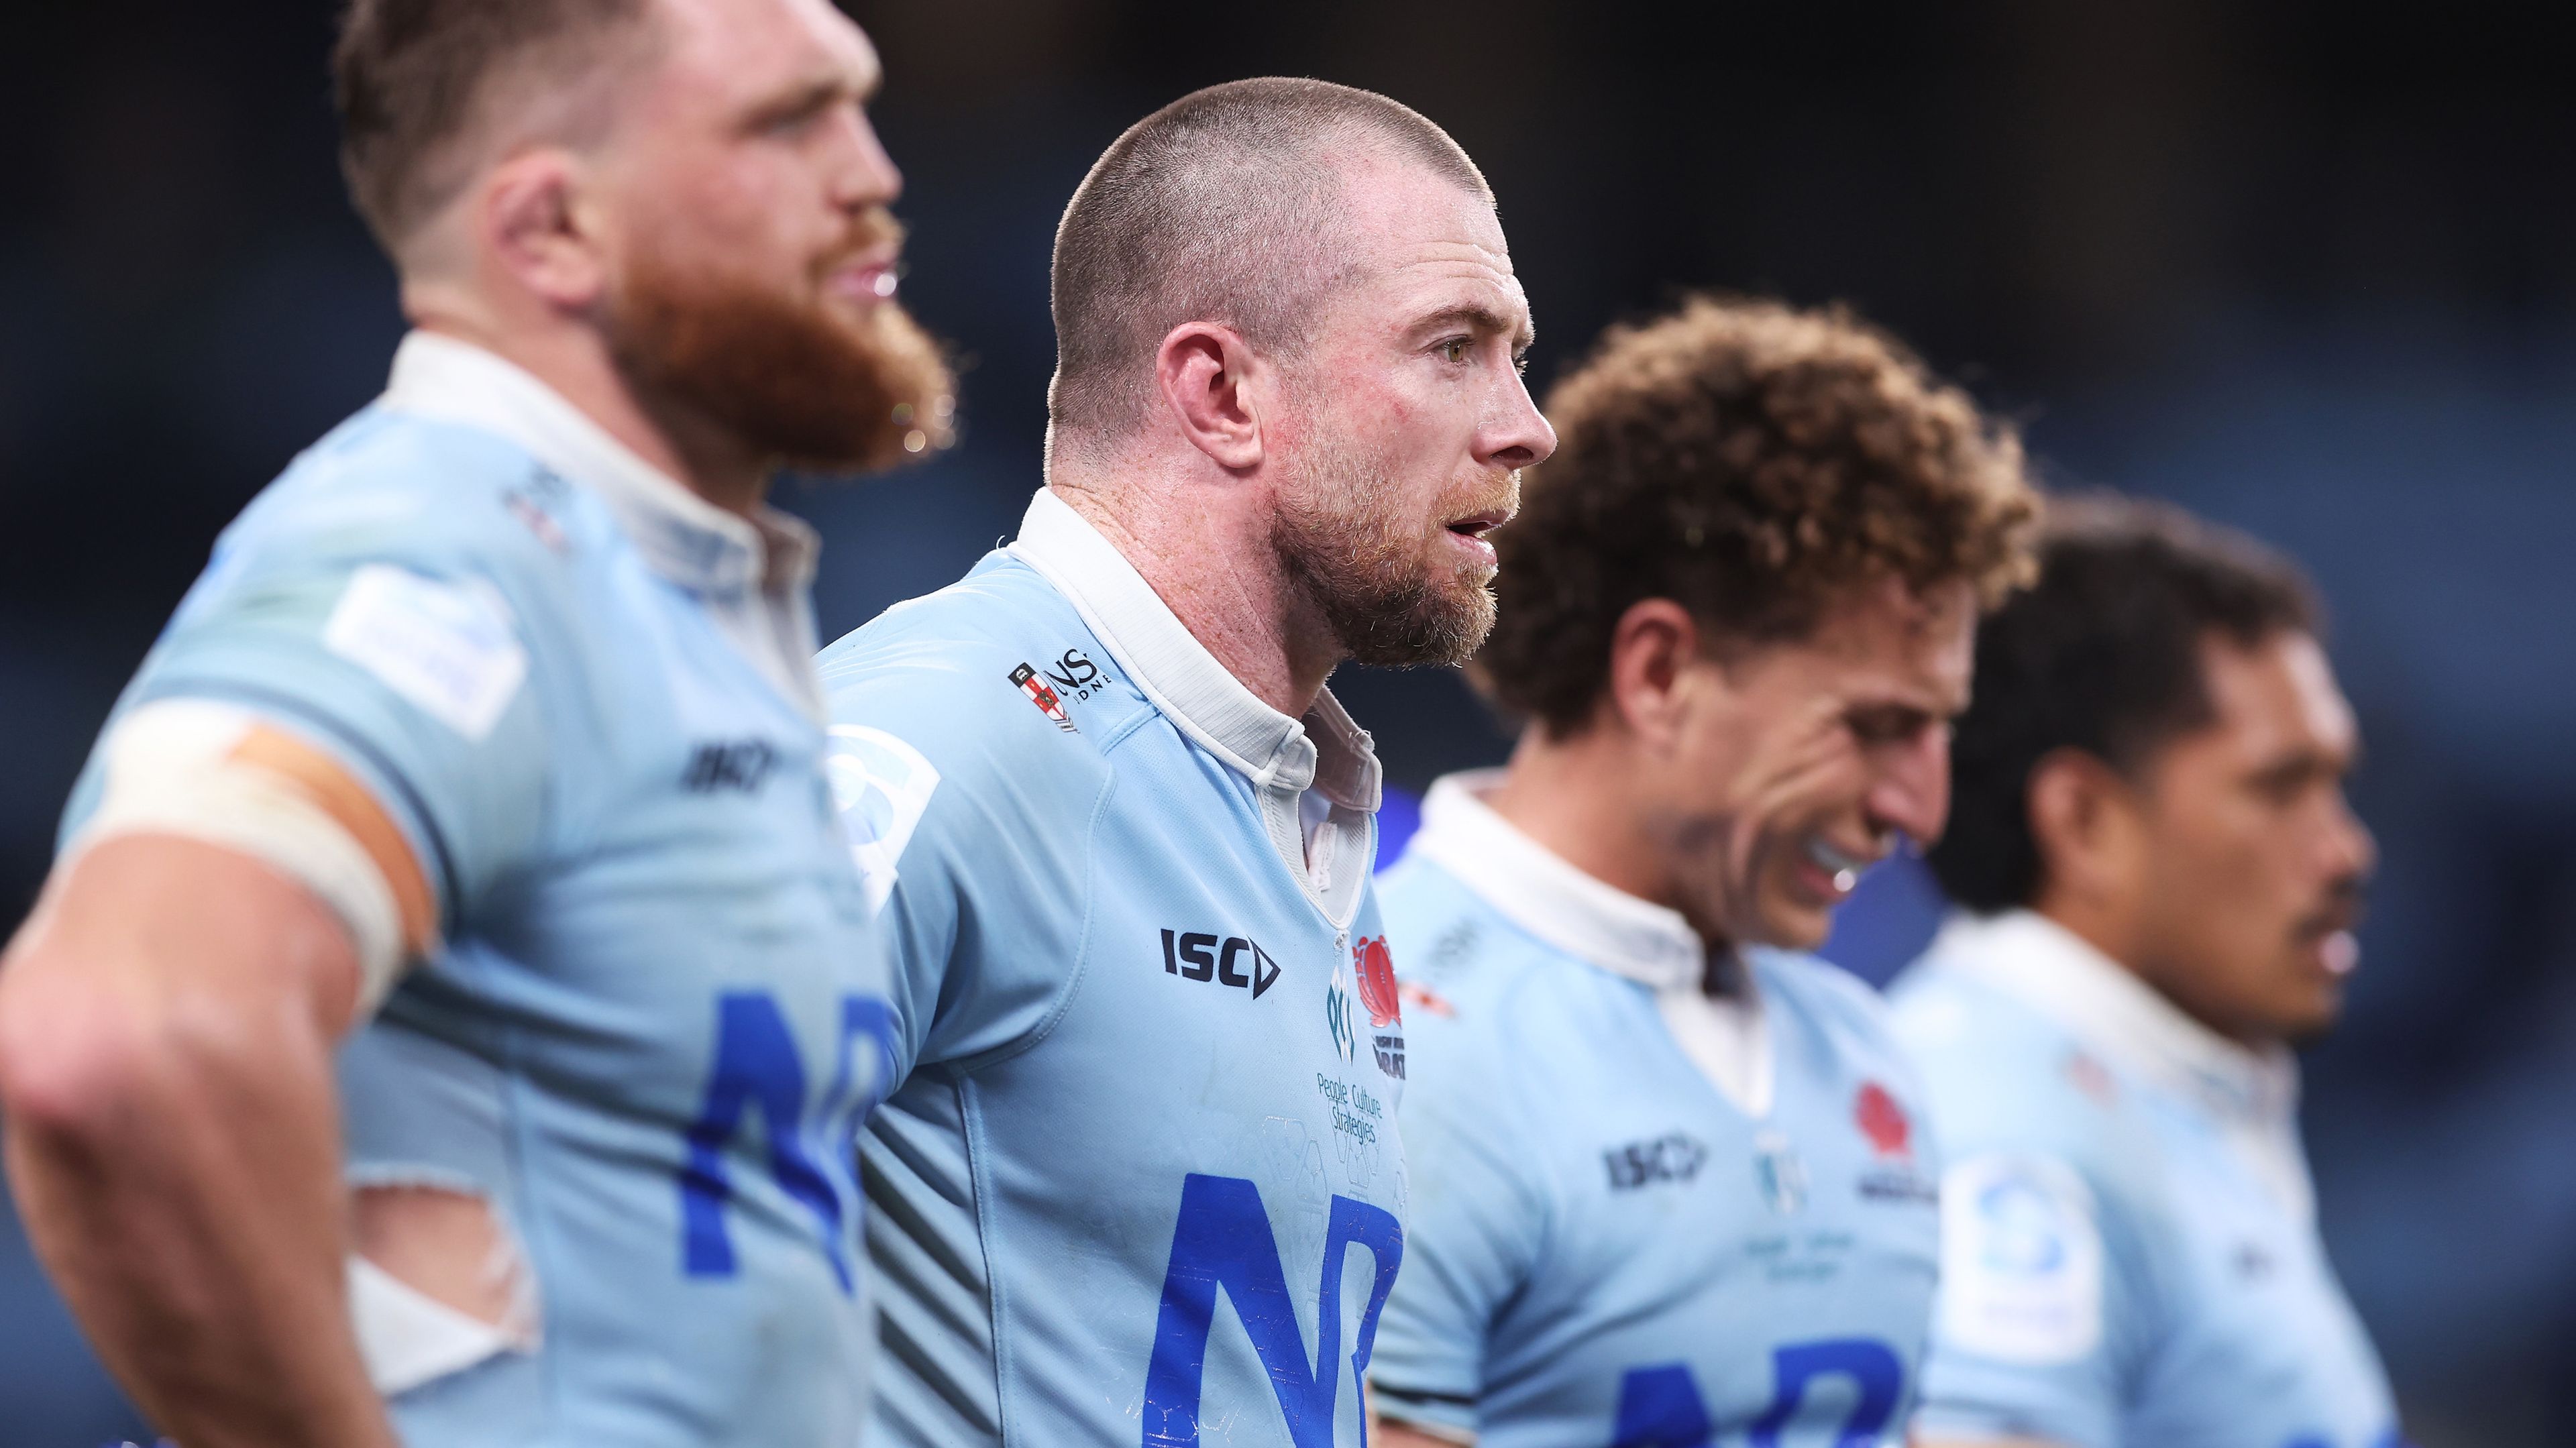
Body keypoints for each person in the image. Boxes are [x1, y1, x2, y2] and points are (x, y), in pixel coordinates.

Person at [0, 0, 950, 1442]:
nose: (871, 170)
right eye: (787, 120)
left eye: (861, 105)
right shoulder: (452, 555)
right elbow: (115, 1038)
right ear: (552, 231)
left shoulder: (637, 576)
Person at [816, 77, 1552, 1448]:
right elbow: (576, 1218)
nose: (1525, 423)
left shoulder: (1294, 806)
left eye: (1513, 353)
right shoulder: (947, 743)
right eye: (1453, 347)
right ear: (1220, 393)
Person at [1364, 297, 2038, 1448]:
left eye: (1940, 733)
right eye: (1875, 726)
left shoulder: (1862, 1046)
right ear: (1663, 672)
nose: (1917, 807)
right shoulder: (1384, 1038)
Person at [1891, 497, 2401, 1447]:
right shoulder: (2012, 1140)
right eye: (2280, 787)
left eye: (2338, 785)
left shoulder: (2148, 1086)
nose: (2347, 853)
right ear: (2085, 822)